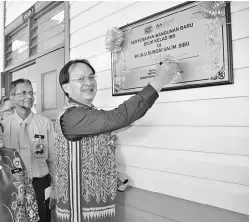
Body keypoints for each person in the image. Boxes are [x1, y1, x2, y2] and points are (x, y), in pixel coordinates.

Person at [55, 59, 182, 222]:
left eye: (91, 77)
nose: (89, 82)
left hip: (98, 209)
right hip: (79, 213)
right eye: (81, 79)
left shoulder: (88, 112)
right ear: (66, 87)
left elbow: (117, 125)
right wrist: (159, 81)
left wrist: (112, 175)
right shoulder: (72, 115)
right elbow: (118, 118)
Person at [2, 78, 56, 222]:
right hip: (12, 185)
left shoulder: (45, 124)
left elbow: (54, 158)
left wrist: (56, 188)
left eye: (31, 93)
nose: (29, 96)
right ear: (12, 97)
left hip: (41, 184)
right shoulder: (3, 127)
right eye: (23, 93)